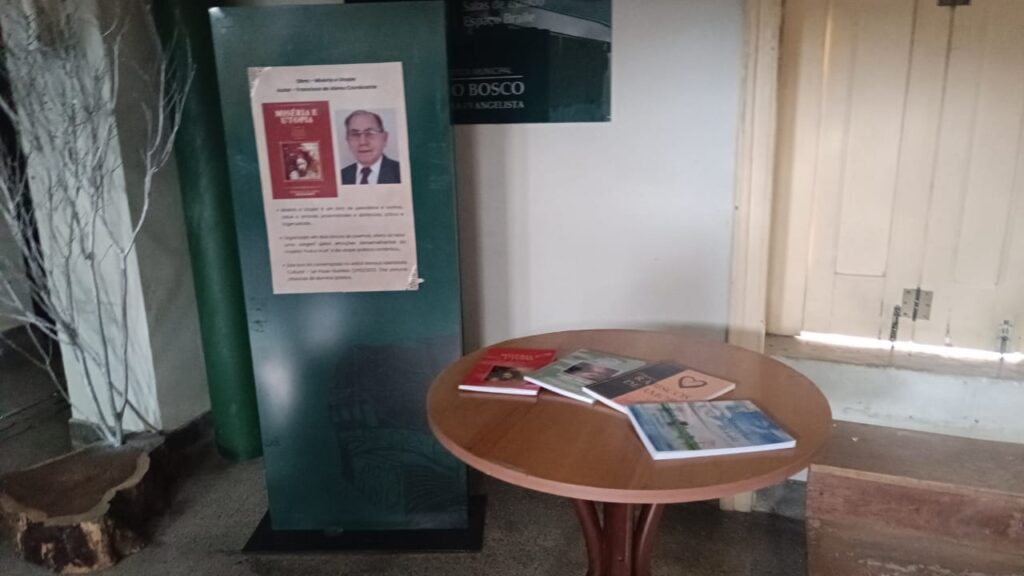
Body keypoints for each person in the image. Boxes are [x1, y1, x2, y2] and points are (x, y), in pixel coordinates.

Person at [340, 110, 401, 185]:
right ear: (347, 140)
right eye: (355, 134)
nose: (362, 142)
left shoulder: (401, 172)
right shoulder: (341, 176)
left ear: (384, 138)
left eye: (370, 133)